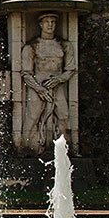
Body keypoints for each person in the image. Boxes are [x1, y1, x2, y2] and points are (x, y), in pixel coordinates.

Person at [20, 13, 76, 155]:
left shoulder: (64, 45)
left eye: (52, 22)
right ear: (40, 24)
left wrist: (59, 79)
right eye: (46, 22)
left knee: (63, 115)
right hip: (37, 86)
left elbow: (70, 69)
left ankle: (64, 148)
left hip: (57, 85)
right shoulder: (31, 47)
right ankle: (27, 148)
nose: (50, 25)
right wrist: (39, 89)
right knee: (32, 117)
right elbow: (26, 73)